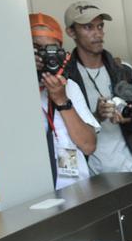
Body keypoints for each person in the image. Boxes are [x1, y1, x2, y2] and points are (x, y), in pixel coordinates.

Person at [61, 1, 132, 174]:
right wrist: (96, 117)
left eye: (100, 26)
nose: (97, 33)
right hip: (85, 174)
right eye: (88, 27)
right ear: (71, 32)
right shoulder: (65, 76)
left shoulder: (122, 70)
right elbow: (60, 129)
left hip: (128, 169)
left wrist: (128, 119)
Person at [31, 13, 99, 189]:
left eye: (50, 49)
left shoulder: (69, 87)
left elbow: (88, 145)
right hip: (33, 193)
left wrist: (61, 100)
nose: (45, 56)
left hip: (75, 191)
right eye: (36, 48)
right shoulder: (5, 90)